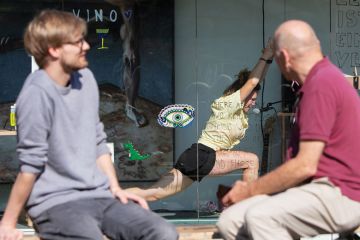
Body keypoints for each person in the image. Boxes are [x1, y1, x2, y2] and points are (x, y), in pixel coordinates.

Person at [0, 10, 177, 240]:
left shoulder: (85, 80)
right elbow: (30, 165)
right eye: (78, 42)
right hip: (56, 202)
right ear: (54, 50)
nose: (87, 46)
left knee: (162, 232)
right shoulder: (36, 94)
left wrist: (115, 190)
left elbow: (98, 143)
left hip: (99, 197)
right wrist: (8, 222)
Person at [217, 20, 360, 240]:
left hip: (340, 194)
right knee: (231, 222)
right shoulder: (316, 83)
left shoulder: (322, 85)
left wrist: (248, 190)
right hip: (316, 190)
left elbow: (304, 165)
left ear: (284, 57)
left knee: (261, 217)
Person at [126, 40, 274, 201]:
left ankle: (108, 197)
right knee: (252, 160)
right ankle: (247, 206)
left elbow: (257, 82)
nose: (253, 103)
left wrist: (269, 59)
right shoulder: (230, 103)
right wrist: (266, 55)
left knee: (153, 194)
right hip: (204, 155)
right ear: (241, 94)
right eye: (251, 99)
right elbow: (252, 82)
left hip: (194, 157)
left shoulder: (237, 112)